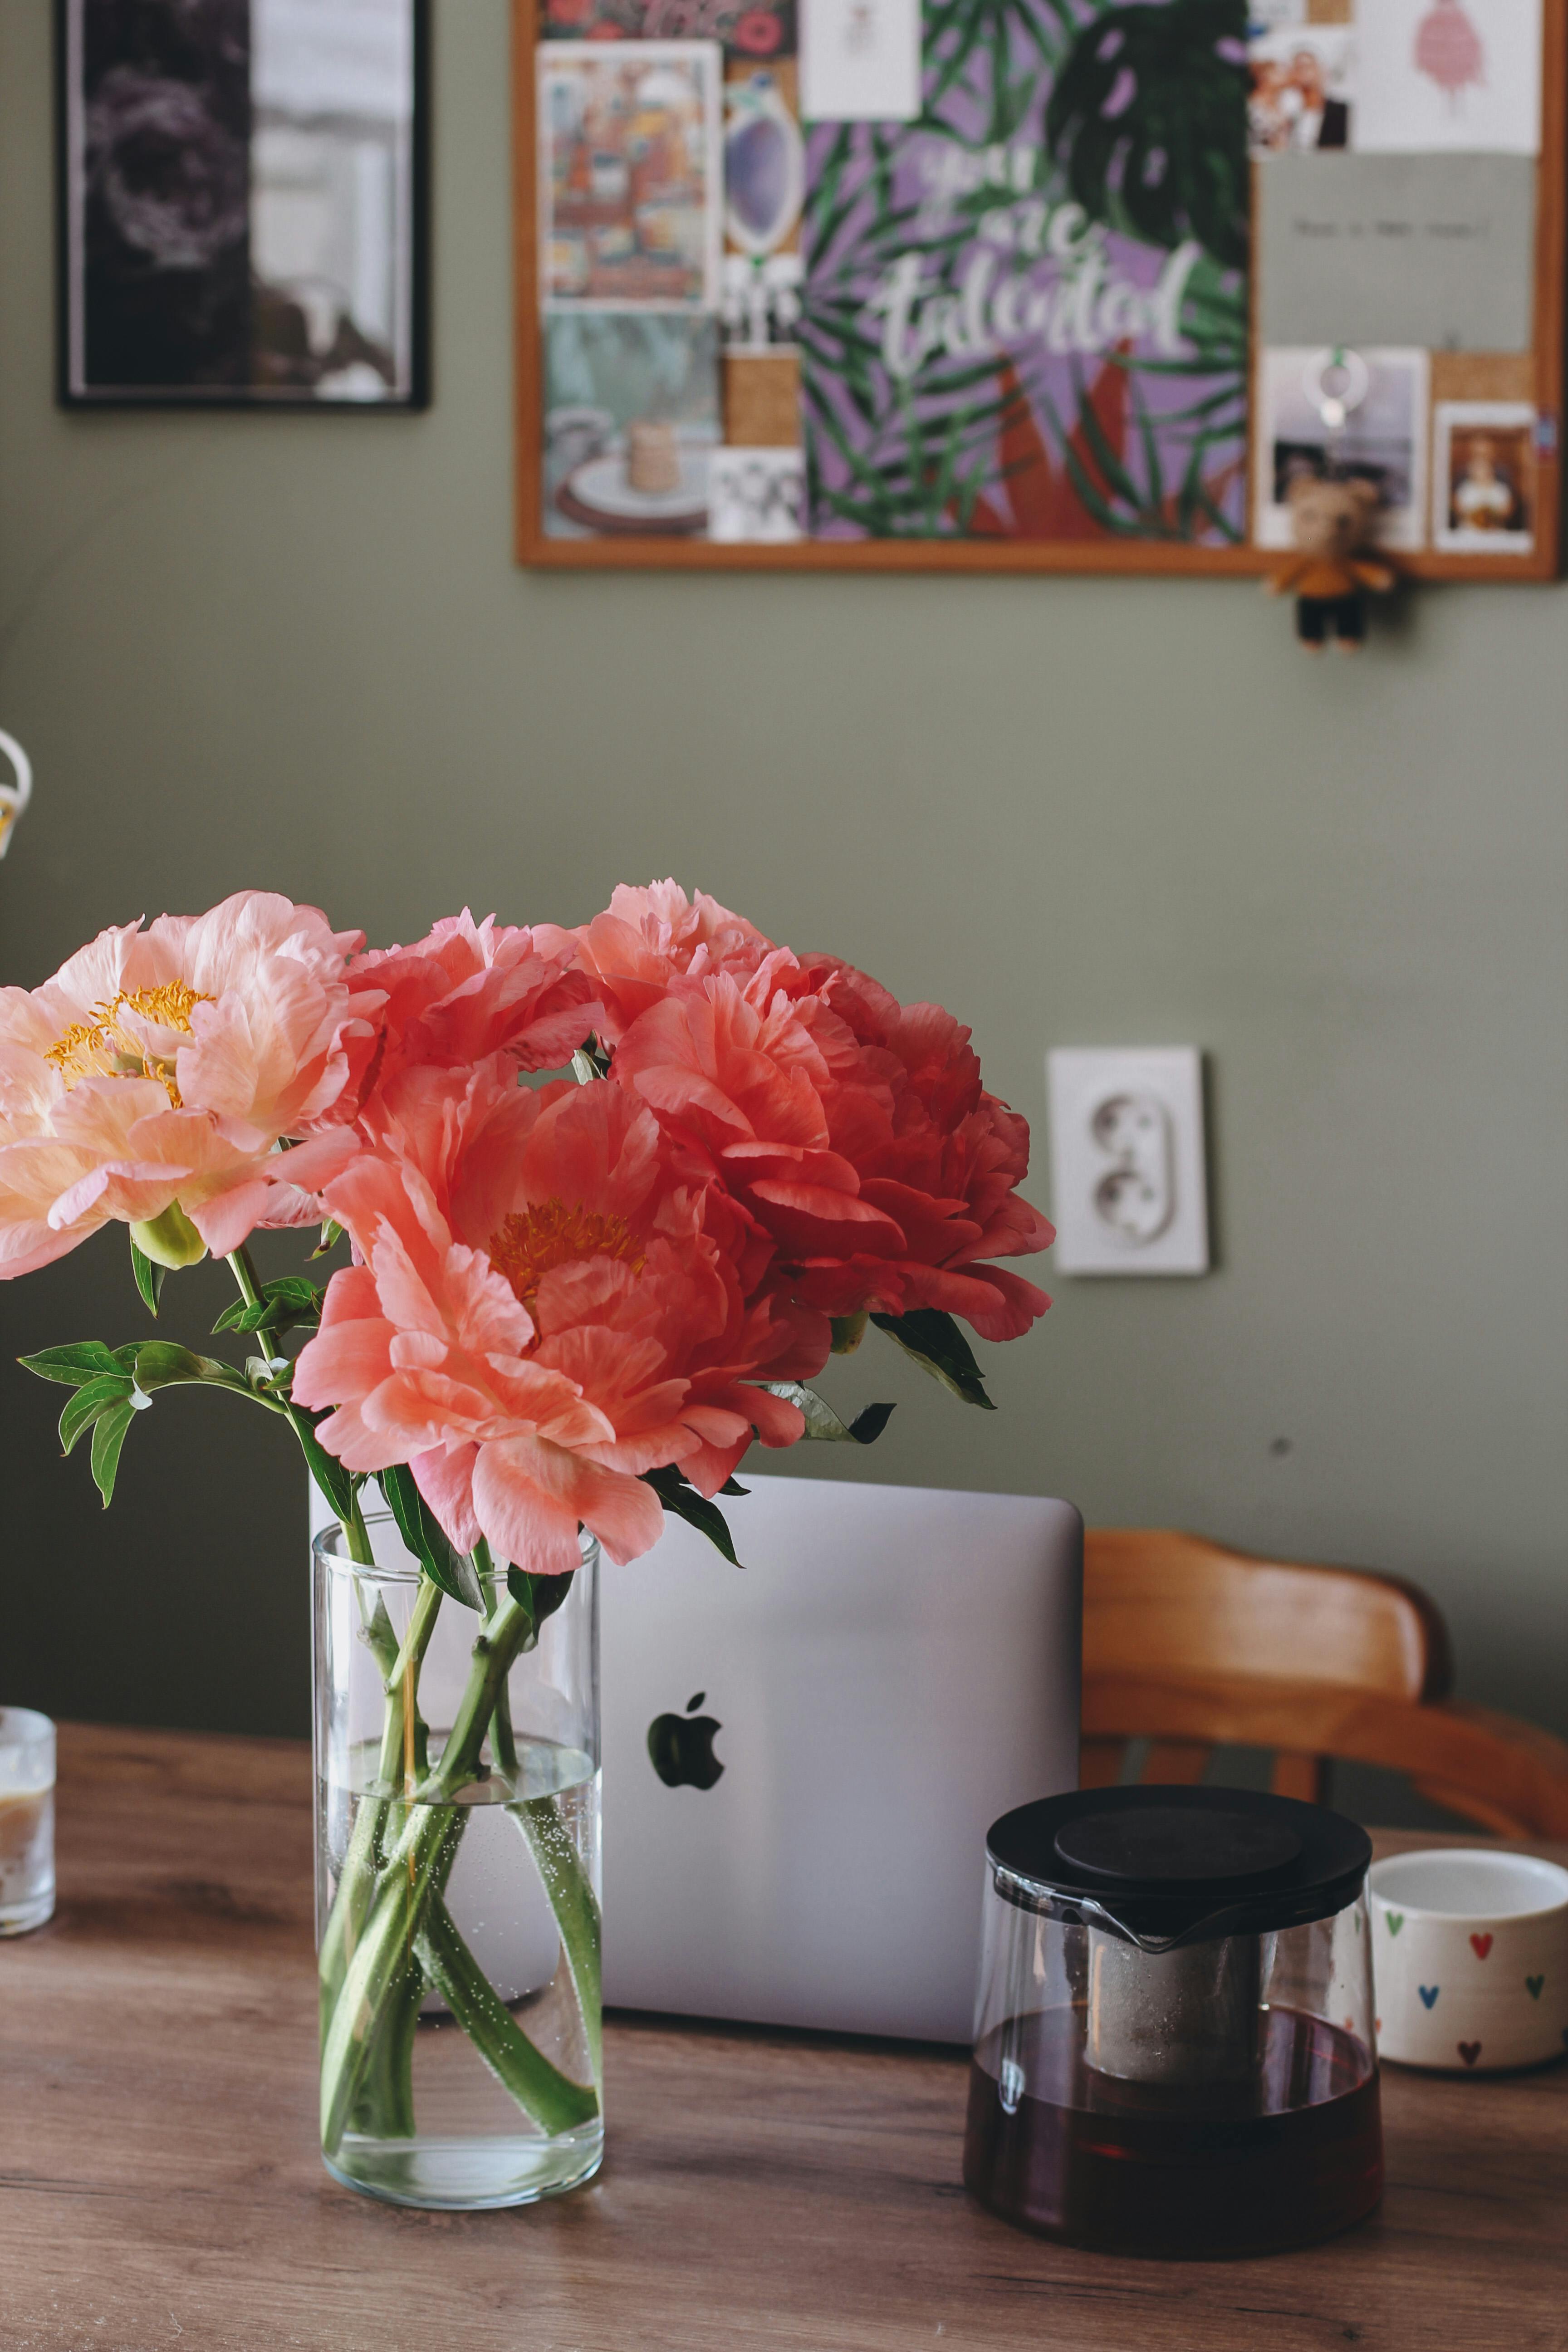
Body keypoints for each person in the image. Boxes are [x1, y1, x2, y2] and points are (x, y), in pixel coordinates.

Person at [1289, 48, 1349, 149]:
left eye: (1307, 67)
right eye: (1298, 68)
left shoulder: (1340, 111)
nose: (1304, 73)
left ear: (1320, 71)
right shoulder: (1291, 115)